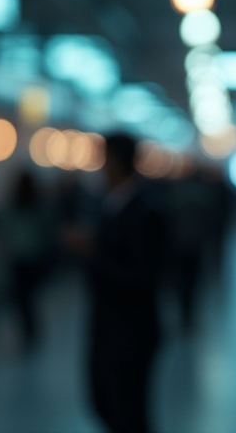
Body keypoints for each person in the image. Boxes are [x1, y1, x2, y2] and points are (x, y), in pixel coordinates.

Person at [87, 134, 168, 433]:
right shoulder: (114, 204)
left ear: (117, 162)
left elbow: (141, 278)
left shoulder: (145, 211)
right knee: (107, 404)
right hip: (110, 329)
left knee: (128, 414)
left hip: (130, 334)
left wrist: (92, 254)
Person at [2, 171, 54, 350]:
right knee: (28, 299)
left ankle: (28, 331)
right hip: (32, 258)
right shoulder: (38, 204)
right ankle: (30, 331)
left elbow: (5, 228)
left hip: (20, 259)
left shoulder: (16, 204)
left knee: (22, 299)